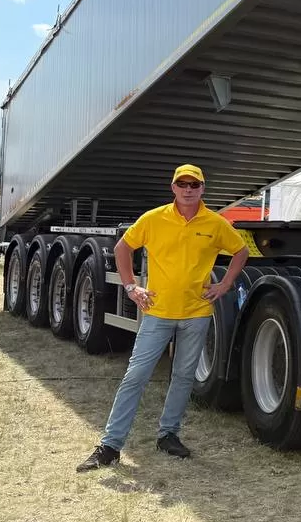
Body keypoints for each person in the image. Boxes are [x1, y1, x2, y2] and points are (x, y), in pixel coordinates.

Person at [77, 164, 250, 472]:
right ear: (173, 187)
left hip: (196, 314)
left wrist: (225, 284)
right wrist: (131, 287)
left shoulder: (214, 223)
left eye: (194, 184)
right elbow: (122, 248)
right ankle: (110, 446)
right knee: (135, 377)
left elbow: (240, 251)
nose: (188, 189)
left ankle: (168, 435)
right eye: (182, 183)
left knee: (183, 378)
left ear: (202, 189)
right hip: (157, 313)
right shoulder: (154, 218)